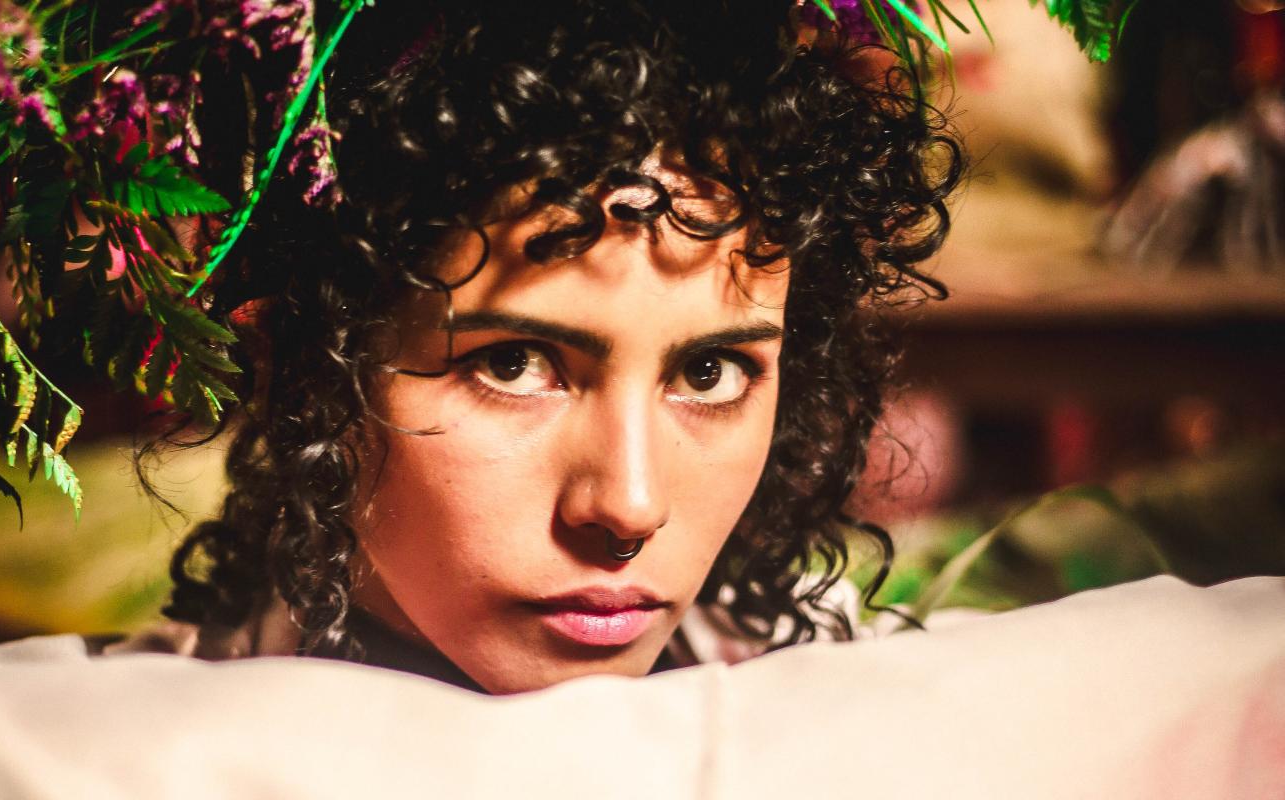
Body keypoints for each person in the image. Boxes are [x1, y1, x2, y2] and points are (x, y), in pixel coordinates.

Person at [146, 0, 961, 695]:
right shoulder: (84, 762)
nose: (631, 508)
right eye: (512, 365)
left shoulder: (875, 713)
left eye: (709, 373)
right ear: (298, 360)